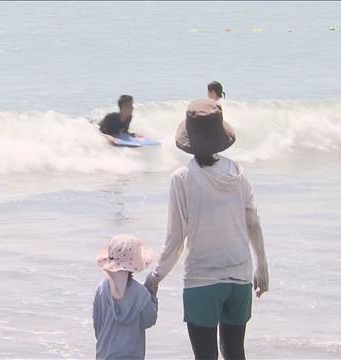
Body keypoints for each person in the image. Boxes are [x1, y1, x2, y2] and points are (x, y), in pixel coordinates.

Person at [143, 99, 269, 360]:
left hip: (202, 281)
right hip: (240, 278)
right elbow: (253, 221)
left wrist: (155, 278)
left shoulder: (182, 179)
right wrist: (262, 266)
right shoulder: (237, 172)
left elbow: (175, 239)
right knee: (235, 353)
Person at [93, 234, 157, 360]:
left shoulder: (102, 289)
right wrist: (153, 296)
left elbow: (97, 325)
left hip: (105, 355)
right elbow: (150, 320)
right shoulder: (140, 292)